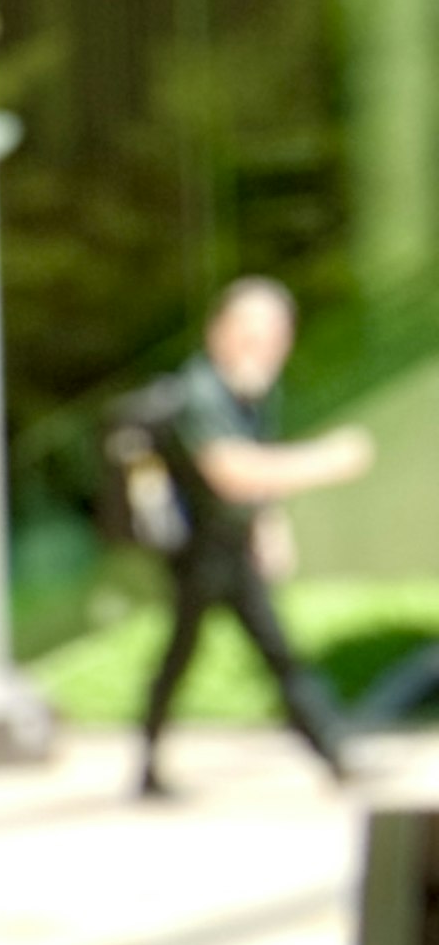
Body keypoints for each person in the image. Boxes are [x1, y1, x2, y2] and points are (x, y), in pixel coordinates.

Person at [129, 276, 370, 799]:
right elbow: (230, 470)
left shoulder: (252, 393)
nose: (266, 347)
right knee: (185, 656)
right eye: (253, 333)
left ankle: (332, 751)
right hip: (197, 552)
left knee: (274, 652)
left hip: (233, 547)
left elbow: (256, 473)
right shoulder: (200, 391)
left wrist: (269, 526)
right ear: (220, 331)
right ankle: (146, 765)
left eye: (276, 336)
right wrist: (327, 461)